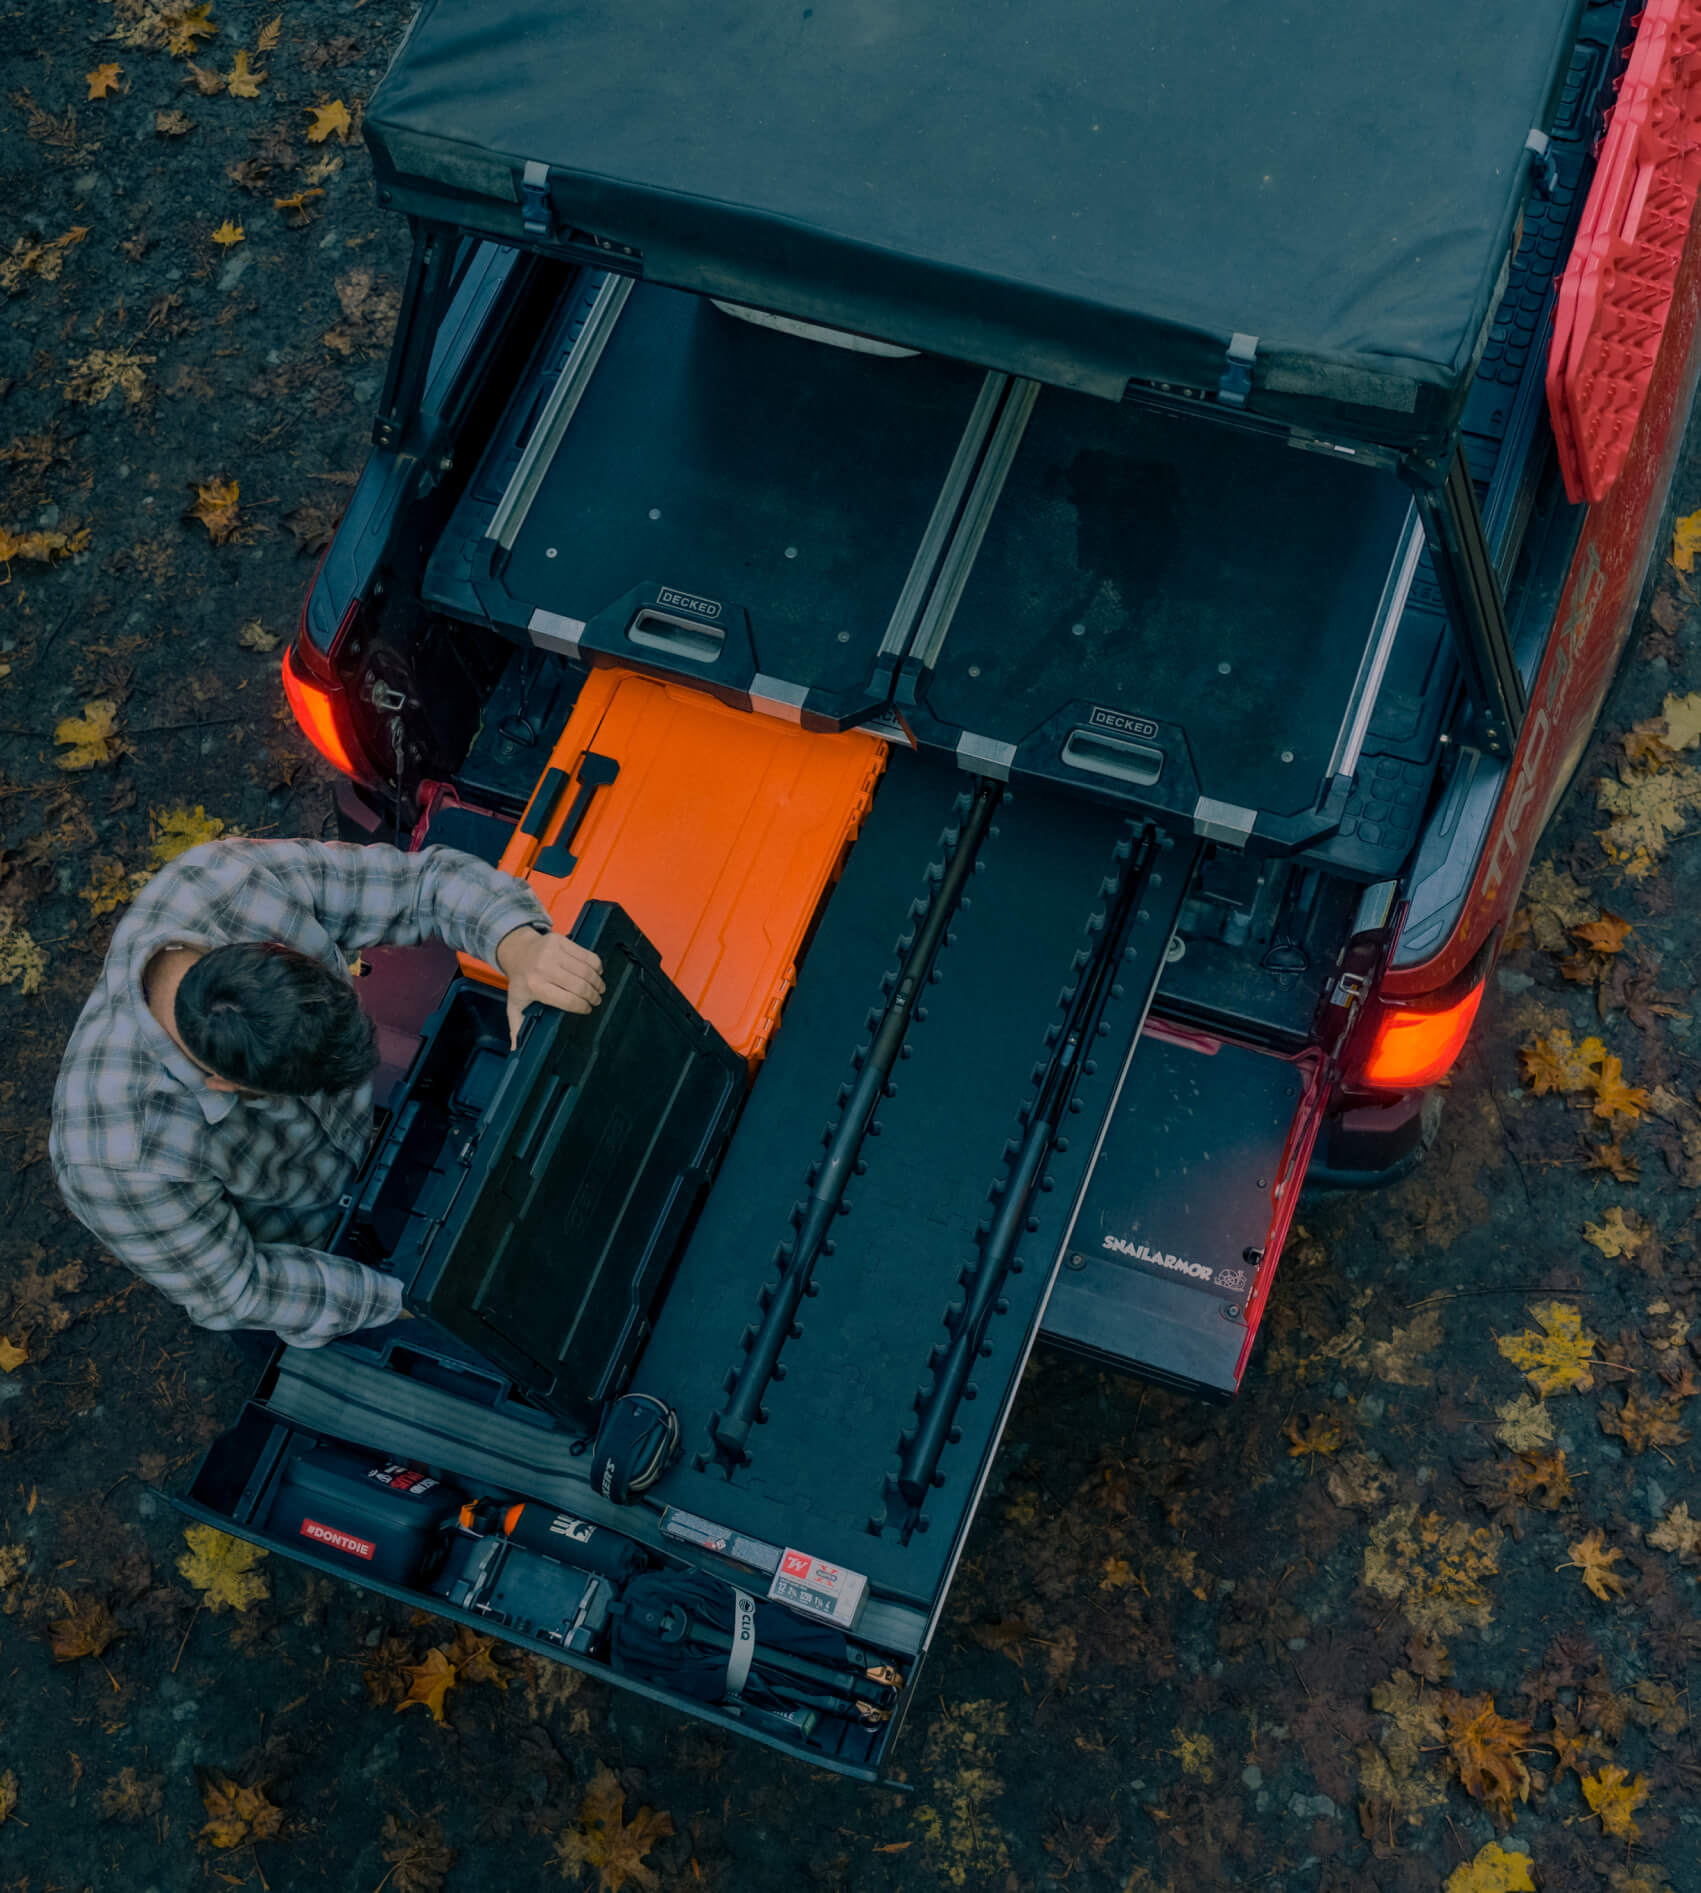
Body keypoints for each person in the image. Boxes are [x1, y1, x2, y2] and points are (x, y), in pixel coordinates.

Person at [50, 837, 604, 1350]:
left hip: (366, 1154)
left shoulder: (232, 883)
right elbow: (242, 1287)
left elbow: (425, 886)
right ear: (222, 1084)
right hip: (314, 1250)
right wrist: (421, 1299)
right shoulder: (118, 1159)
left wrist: (517, 945)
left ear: (274, 949)